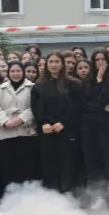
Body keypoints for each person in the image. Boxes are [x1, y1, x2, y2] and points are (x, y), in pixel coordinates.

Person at [31, 52, 82, 194]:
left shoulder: (73, 84)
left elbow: (76, 106)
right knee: (49, 165)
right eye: (51, 62)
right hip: (47, 131)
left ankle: (69, 195)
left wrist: (64, 122)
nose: (53, 65)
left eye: (56, 62)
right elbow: (37, 107)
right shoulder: (39, 86)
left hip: (67, 130)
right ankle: (51, 197)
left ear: (62, 64)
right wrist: (44, 122)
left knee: (68, 164)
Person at [0, 61, 38, 189]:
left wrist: (21, 119)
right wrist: (5, 121)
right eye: (12, 71)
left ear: (23, 72)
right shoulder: (2, 88)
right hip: (5, 133)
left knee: (25, 166)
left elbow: (35, 107)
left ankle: (26, 197)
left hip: (26, 132)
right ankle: (8, 196)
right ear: (8, 73)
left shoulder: (32, 87)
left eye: (18, 71)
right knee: (7, 167)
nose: (15, 74)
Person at [81, 49, 109, 199]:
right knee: (92, 160)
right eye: (97, 60)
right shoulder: (86, 81)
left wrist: (100, 79)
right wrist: (99, 107)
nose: (100, 62)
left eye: (103, 59)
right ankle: (97, 195)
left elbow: (106, 100)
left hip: (107, 126)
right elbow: (85, 103)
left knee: (108, 159)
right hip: (89, 127)